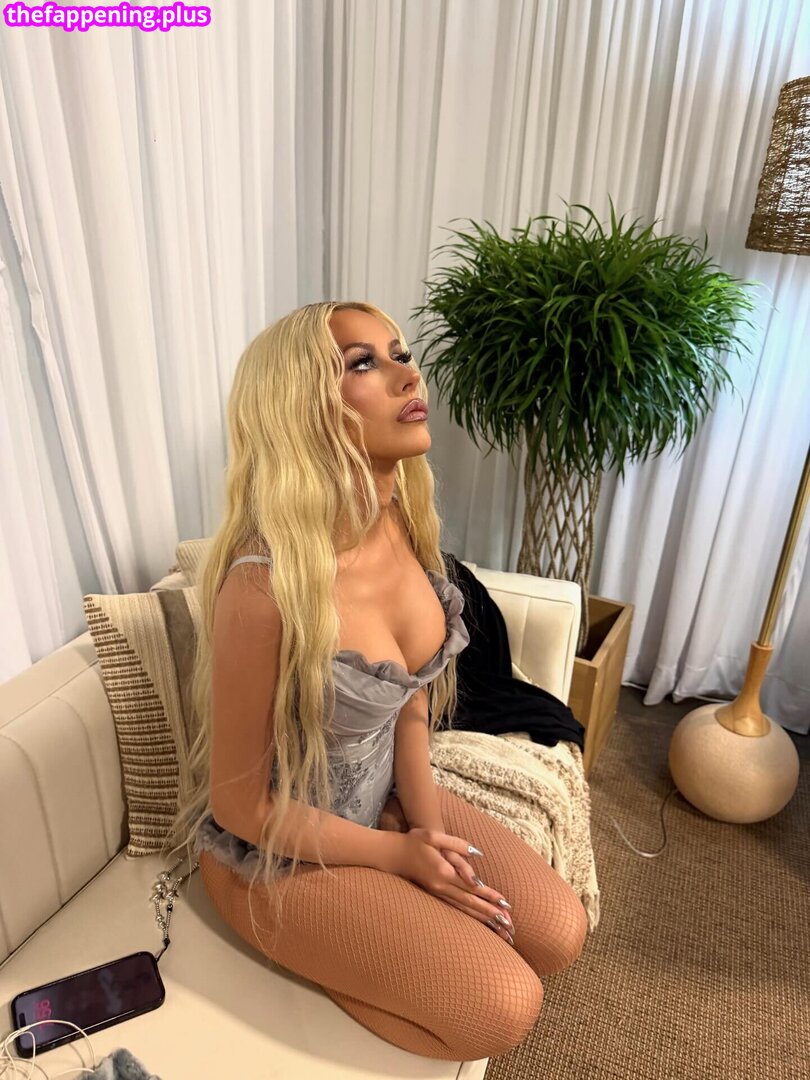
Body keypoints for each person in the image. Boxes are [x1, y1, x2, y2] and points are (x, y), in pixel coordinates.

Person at [168, 300, 588, 1062]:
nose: (407, 374)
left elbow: (410, 703)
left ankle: (383, 930)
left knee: (560, 933)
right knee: (505, 1007)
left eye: (400, 353)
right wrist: (396, 860)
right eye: (363, 363)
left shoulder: (400, 525)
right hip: (274, 853)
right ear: (304, 409)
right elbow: (240, 805)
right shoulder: (262, 586)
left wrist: (423, 827)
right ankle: (336, 952)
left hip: (380, 806)